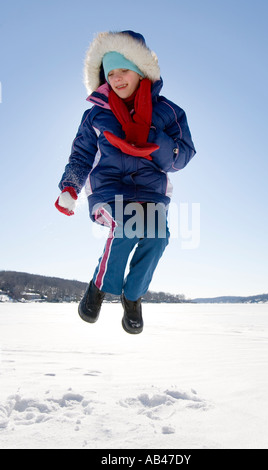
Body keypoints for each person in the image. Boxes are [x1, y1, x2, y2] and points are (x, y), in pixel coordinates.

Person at [55, 30, 196, 334]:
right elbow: (81, 156)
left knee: (157, 237)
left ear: (140, 69)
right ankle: (100, 286)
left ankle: (132, 298)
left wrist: (154, 141)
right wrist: (70, 187)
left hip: (151, 193)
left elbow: (183, 155)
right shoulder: (95, 116)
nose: (117, 78)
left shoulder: (168, 112)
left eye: (124, 70)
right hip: (108, 191)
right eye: (111, 73)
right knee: (127, 225)